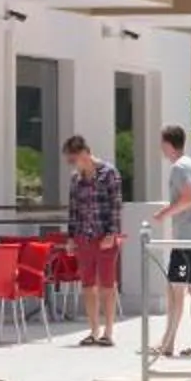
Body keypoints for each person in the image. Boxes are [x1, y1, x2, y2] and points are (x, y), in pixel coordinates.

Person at [152, 121, 191, 362]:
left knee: (175, 290)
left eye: (162, 143)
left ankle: (168, 343)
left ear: (168, 144)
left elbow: (188, 198)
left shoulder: (179, 168)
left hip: (188, 240)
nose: (160, 147)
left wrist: (165, 213)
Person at [63, 133, 123, 348]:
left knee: (107, 285)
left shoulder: (109, 174)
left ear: (84, 154)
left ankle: (108, 331)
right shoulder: (75, 179)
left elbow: (116, 206)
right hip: (84, 237)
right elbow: (73, 210)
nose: (73, 165)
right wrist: (71, 237)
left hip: (104, 236)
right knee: (88, 285)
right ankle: (93, 330)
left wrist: (112, 234)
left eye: (73, 160)